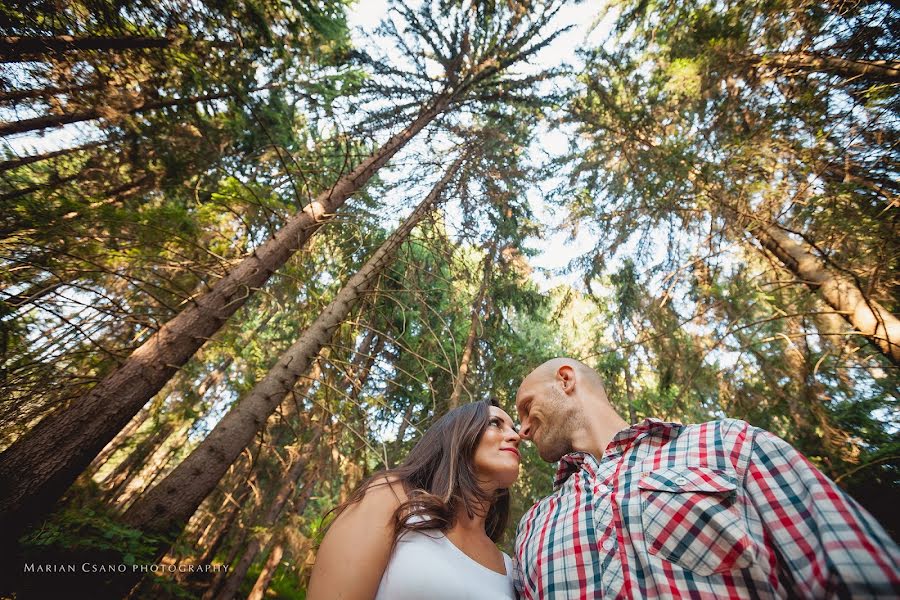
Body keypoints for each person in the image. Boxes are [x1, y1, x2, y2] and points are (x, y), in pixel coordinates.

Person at [514, 357, 900, 599]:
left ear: (566, 380)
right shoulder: (533, 526)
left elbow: (855, 573)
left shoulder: (728, 444)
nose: (522, 429)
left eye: (527, 406)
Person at [308, 399, 521, 599]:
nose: (516, 436)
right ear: (458, 433)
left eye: (514, 428)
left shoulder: (510, 567)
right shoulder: (391, 498)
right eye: (495, 423)